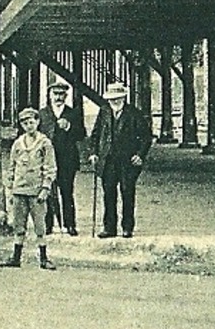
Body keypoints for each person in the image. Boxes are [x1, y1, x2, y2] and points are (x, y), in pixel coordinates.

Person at [88, 81, 152, 239]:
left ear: (124, 97)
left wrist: (140, 155)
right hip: (107, 160)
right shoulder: (104, 111)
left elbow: (146, 137)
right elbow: (95, 134)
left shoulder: (133, 113)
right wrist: (94, 153)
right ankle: (109, 228)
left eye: (117, 98)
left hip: (127, 161)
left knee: (127, 193)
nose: (114, 101)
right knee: (108, 194)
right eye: (111, 99)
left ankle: (127, 227)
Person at [2, 107, 57, 270]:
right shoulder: (18, 143)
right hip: (19, 190)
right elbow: (11, 166)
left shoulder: (45, 143)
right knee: (19, 226)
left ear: (38, 122)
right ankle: (16, 257)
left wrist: (45, 188)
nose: (29, 126)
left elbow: (50, 167)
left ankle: (43, 258)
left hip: (36, 191)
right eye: (25, 123)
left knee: (40, 226)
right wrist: (10, 188)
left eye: (31, 122)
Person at [40, 82, 86, 236]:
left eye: (62, 94)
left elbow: (81, 134)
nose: (58, 97)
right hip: (47, 160)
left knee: (67, 193)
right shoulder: (42, 114)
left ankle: (70, 224)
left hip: (67, 160)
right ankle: (48, 225)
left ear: (66, 96)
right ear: (50, 95)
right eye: (56, 93)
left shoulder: (73, 113)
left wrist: (69, 127)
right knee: (47, 192)